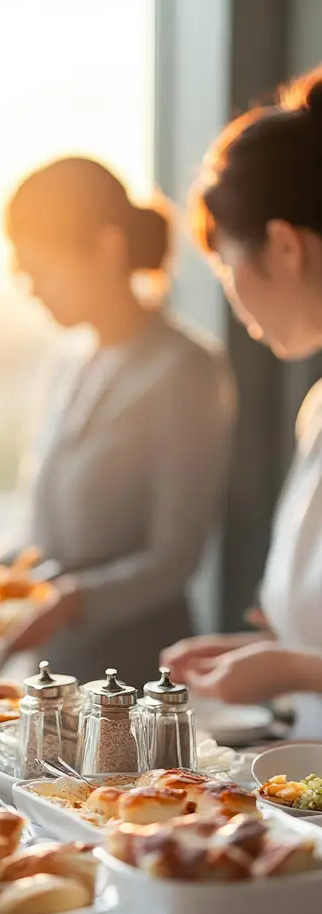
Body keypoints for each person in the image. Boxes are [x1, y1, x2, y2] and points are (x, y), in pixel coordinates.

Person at [0, 157, 235, 685]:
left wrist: (75, 599)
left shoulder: (186, 368)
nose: (31, 287)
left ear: (107, 248)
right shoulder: (66, 361)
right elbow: (38, 526)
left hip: (141, 677)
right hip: (56, 671)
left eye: (41, 268)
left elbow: (175, 556)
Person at [162, 66, 322, 735]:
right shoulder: (316, 407)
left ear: (284, 246)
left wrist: (287, 669)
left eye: (227, 267)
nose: (235, 302)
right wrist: (264, 653)